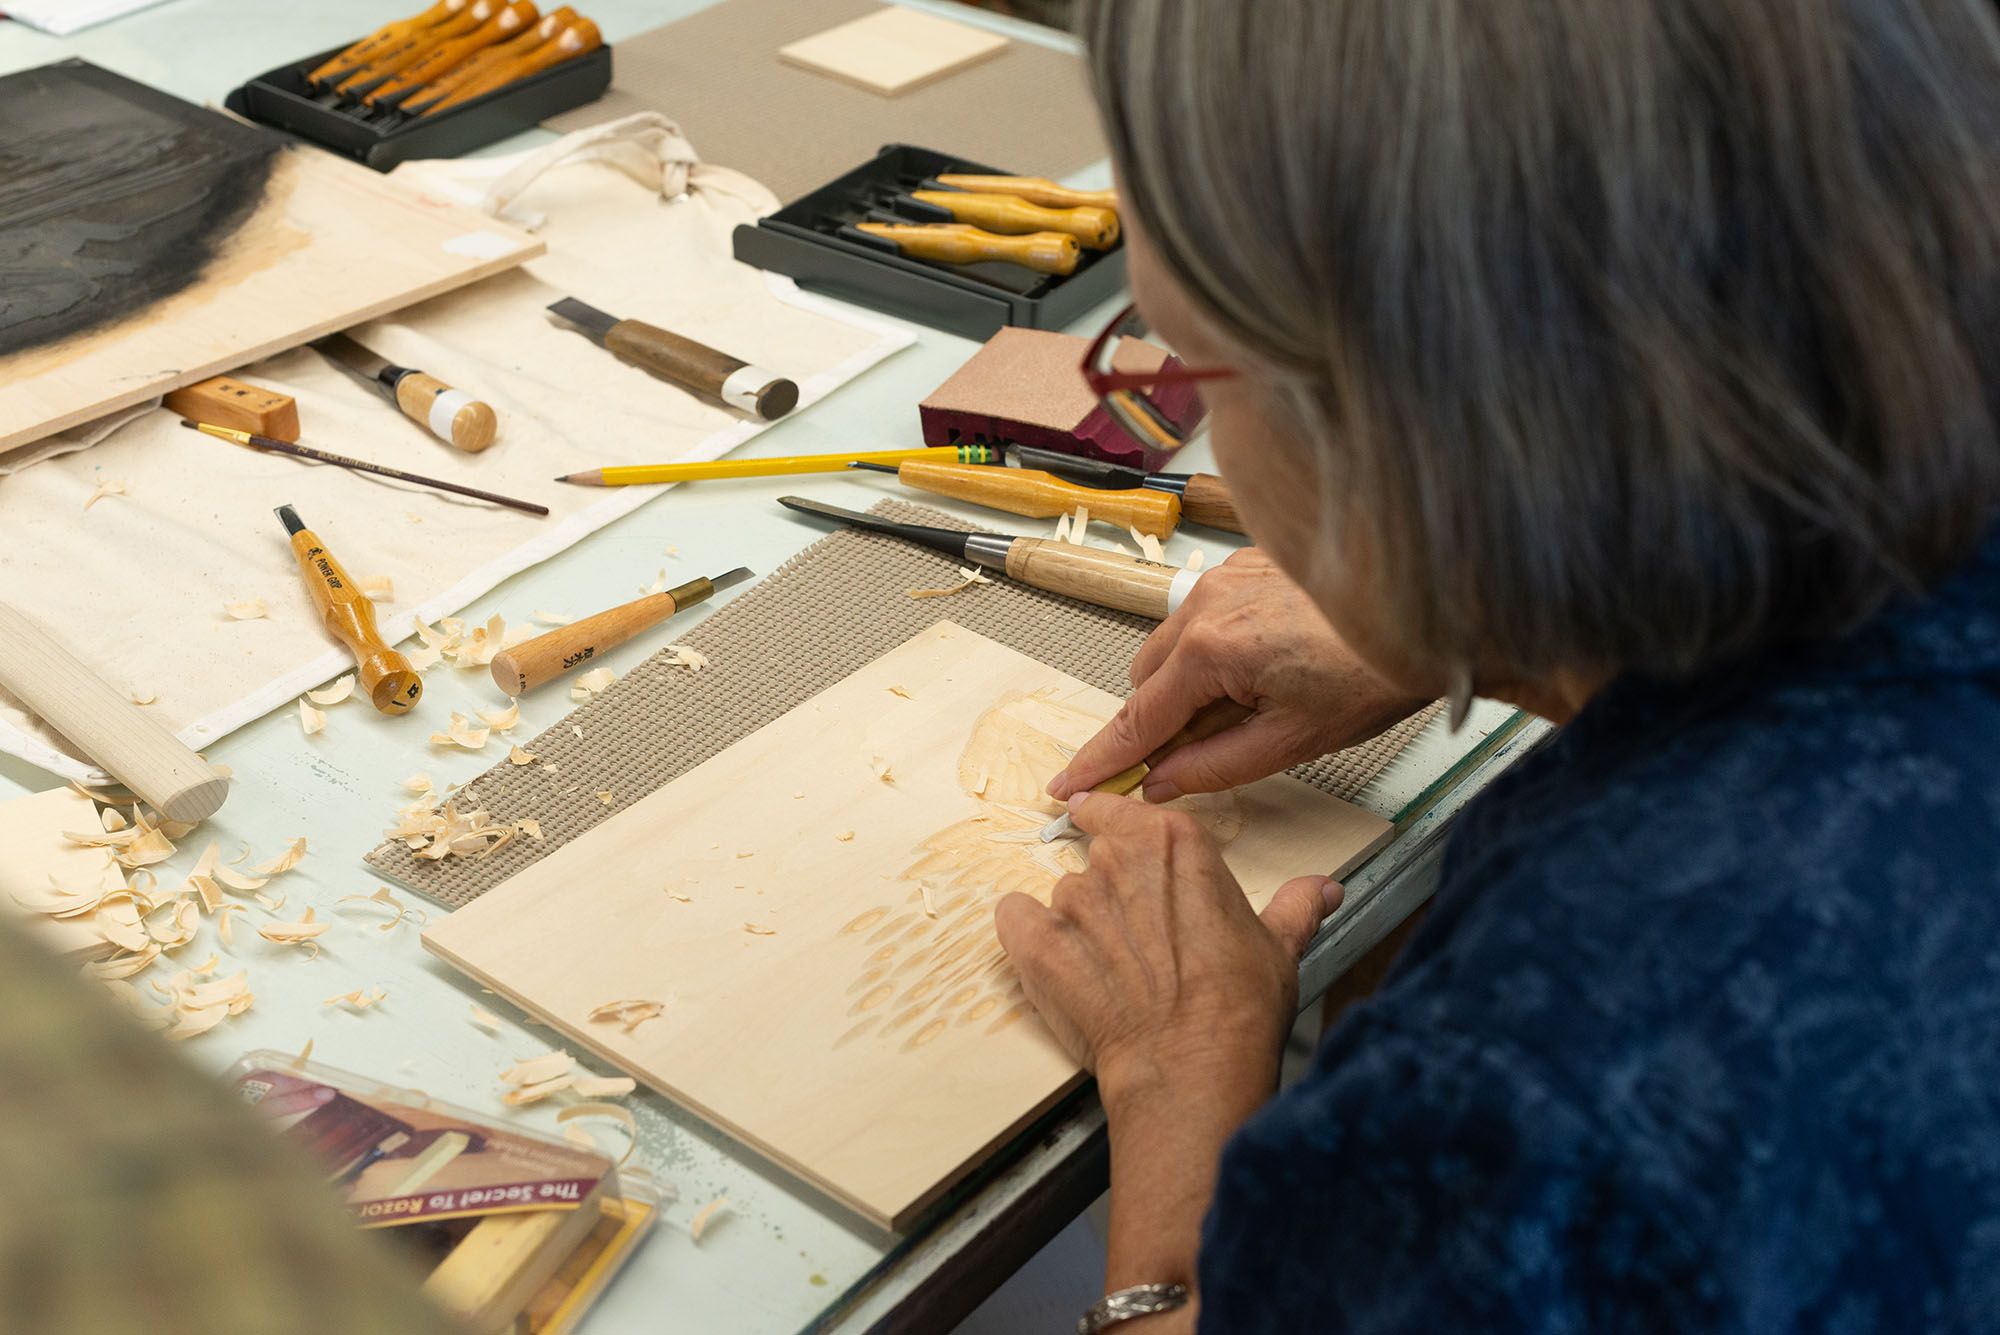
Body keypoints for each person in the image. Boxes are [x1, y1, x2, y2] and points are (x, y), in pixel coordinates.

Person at [994, 1, 2000, 1330]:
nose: (1201, 428)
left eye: (1187, 367)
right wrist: (1488, 601)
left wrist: (1182, 1082)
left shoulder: (1526, 1089)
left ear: (1418, 416)